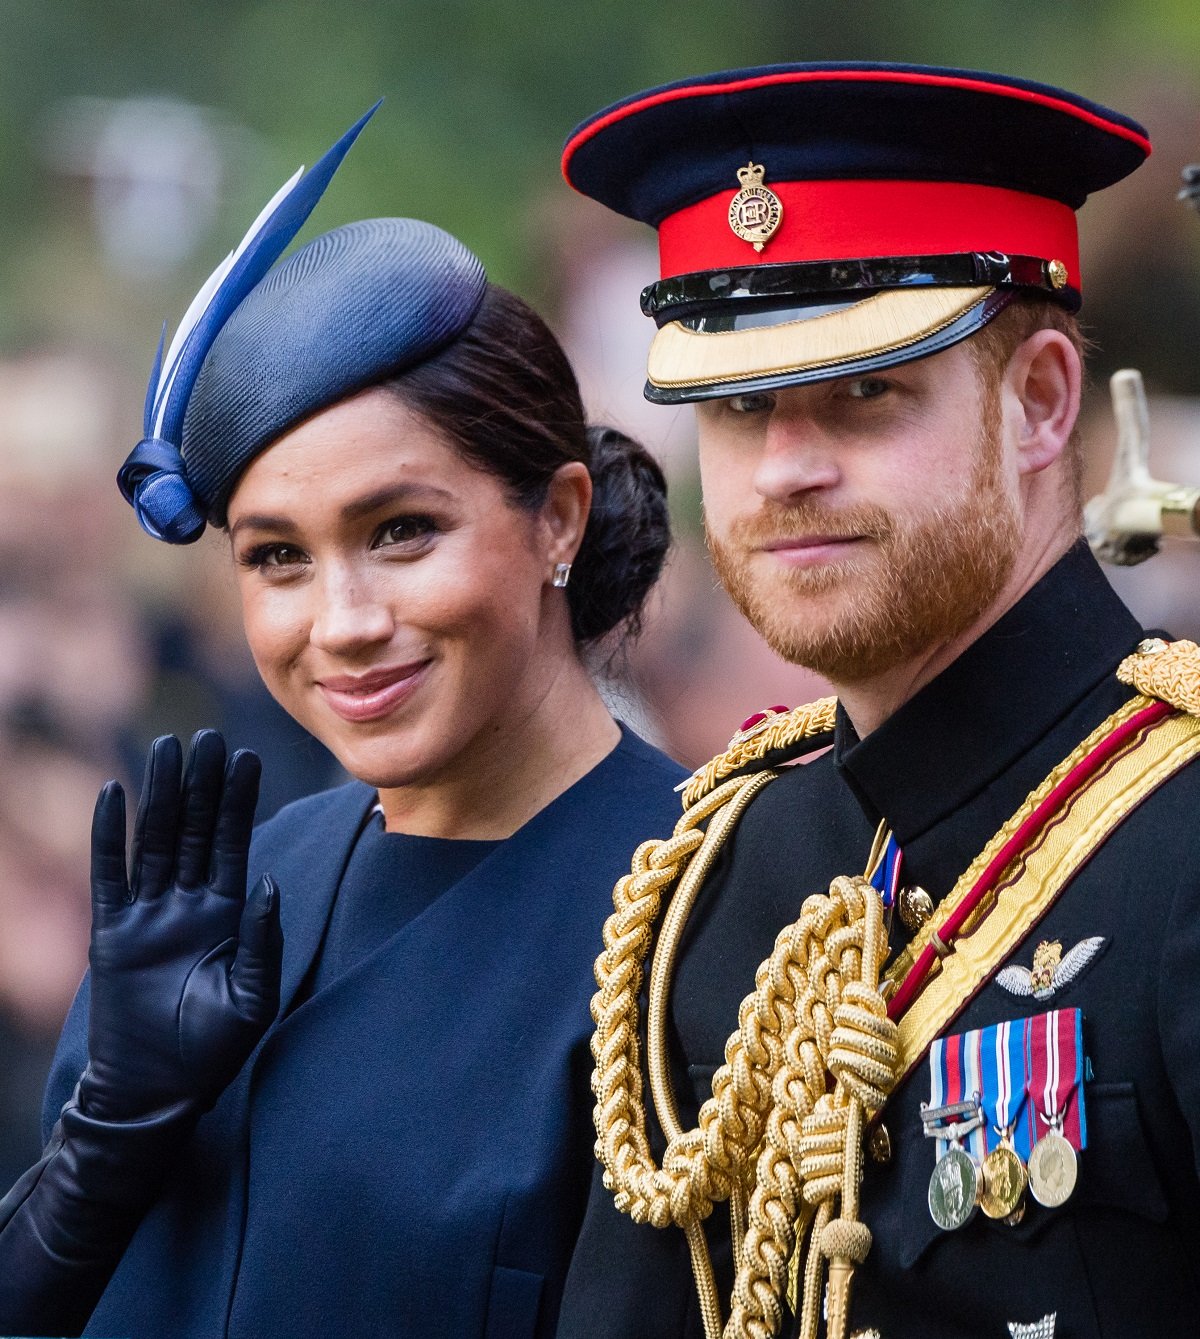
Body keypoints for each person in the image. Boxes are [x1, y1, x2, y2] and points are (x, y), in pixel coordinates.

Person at [0, 111, 684, 1339]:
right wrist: (101, 1142)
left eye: (401, 531)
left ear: (558, 520)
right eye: (277, 558)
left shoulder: (696, 906)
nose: (345, 620)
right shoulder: (227, 891)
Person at [553, 63, 1200, 1339]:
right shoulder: (722, 871)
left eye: (867, 391)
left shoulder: (1182, 838)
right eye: (738, 405)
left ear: (1041, 401)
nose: (788, 466)